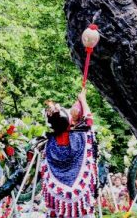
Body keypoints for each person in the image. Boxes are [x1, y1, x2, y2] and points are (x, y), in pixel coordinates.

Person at [41, 89, 97, 217]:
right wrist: (83, 100)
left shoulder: (48, 143)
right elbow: (89, 122)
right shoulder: (80, 138)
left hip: (58, 201)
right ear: (68, 122)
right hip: (79, 203)